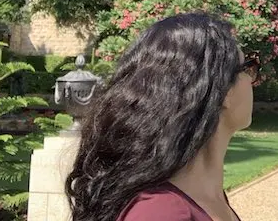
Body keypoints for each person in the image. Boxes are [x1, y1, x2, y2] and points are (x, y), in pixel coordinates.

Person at [65, 12, 260, 221]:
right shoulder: (163, 212)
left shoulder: (203, 196)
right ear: (222, 90)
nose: (252, 81)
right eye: (248, 69)